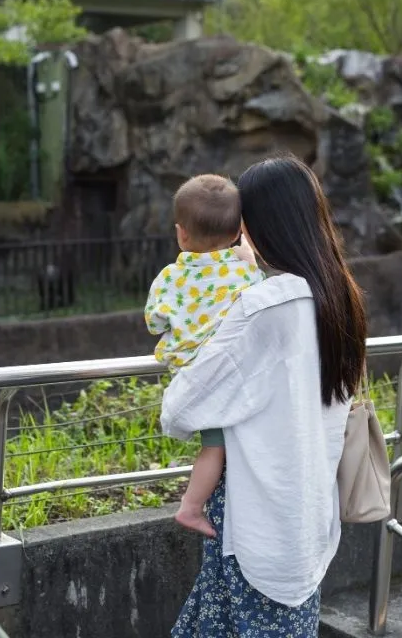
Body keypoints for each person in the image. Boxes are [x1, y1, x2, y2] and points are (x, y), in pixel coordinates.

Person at [160, 156, 368, 637]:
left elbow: (181, 410)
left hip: (254, 524)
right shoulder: (340, 297)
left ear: (255, 224)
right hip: (307, 523)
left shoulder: (265, 306)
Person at [144, 174, 266, 538]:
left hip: (191, 375)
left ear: (182, 234)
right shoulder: (246, 273)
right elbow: (259, 305)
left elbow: (154, 321)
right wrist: (251, 261)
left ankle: (192, 506)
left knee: (214, 444)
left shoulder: (170, 277)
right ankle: (192, 506)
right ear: (237, 233)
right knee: (220, 447)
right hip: (228, 375)